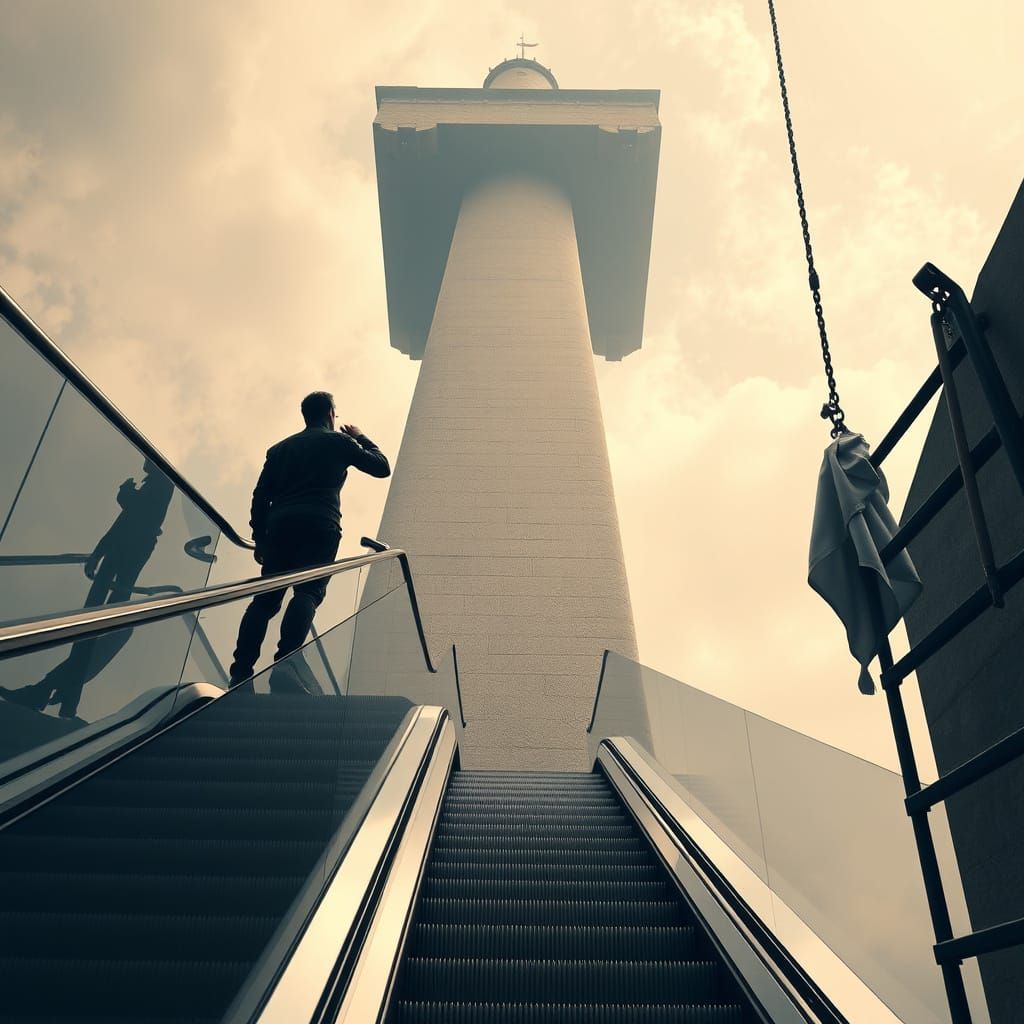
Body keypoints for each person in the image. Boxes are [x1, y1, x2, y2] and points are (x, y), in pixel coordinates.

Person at [228, 391, 390, 689]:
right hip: (320, 523)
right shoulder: (340, 443)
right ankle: (285, 663)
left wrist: (259, 537)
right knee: (308, 592)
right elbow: (382, 467)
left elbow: (260, 496)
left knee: (265, 599)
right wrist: (361, 436)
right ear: (330, 413)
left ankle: (240, 670)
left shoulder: (279, 450)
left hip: (281, 525)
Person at [0, 459, 174, 720]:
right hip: (113, 562)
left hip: (123, 567)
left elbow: (138, 518)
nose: (143, 461)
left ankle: (46, 695)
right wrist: (97, 553)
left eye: (149, 458)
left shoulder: (162, 485)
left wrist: (126, 496)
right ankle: (57, 699)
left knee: (92, 634)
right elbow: (123, 523)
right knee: (86, 633)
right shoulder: (150, 486)